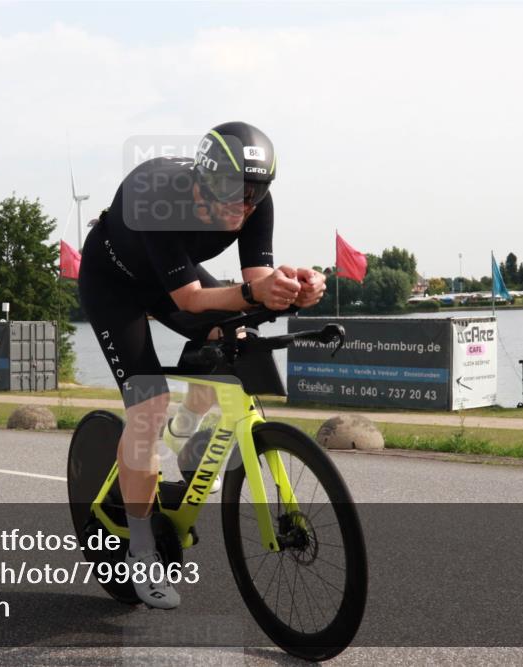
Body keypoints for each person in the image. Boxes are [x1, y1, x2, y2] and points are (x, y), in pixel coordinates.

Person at [77, 121, 326, 608]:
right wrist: (256, 292)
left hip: (171, 280)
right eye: (234, 192)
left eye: (254, 194)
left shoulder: (255, 203)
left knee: (236, 333)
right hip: (116, 285)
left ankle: (189, 440)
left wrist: (296, 290)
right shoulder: (157, 195)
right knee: (147, 408)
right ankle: (142, 551)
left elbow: (255, 284)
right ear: (202, 181)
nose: (243, 205)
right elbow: (190, 300)